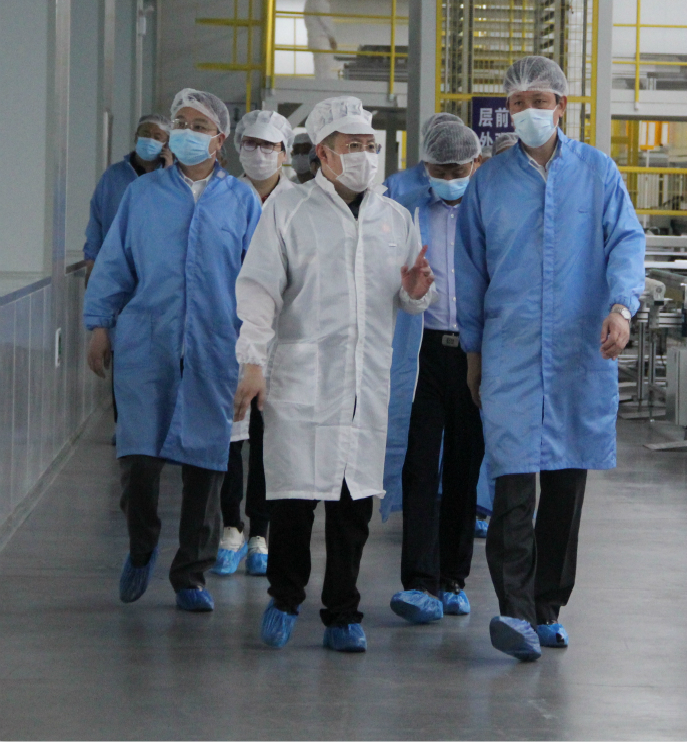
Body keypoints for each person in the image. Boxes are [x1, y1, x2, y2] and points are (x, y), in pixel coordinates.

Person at [454, 56, 645, 661]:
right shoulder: (488, 183)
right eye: (517, 103)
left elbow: (626, 241)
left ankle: (548, 608)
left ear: (561, 106)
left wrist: (621, 307)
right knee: (512, 485)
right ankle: (515, 613)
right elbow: (470, 272)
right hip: (509, 353)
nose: (528, 112)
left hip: (577, 354)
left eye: (539, 101)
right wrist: (473, 353)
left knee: (565, 486)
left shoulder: (598, 172)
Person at [233, 95, 435, 653]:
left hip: (363, 386)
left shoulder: (395, 219)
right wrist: (253, 361)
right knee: (293, 502)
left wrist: (416, 293)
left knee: (353, 508)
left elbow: (409, 297)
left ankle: (343, 613)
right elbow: (259, 291)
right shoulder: (289, 210)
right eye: (353, 146)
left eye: (370, 145)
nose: (365, 155)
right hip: (301, 383)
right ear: (322, 153)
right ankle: (285, 598)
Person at [84, 89, 261, 613]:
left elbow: (259, 281)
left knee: (207, 464)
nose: (186, 132)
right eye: (180, 122)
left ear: (219, 139)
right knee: (139, 458)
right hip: (147, 340)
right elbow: (115, 262)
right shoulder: (142, 195)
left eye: (198, 125)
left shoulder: (242, 201)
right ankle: (142, 547)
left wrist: (256, 352)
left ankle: (190, 574)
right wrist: (99, 325)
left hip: (215, 345)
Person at [382, 121, 484, 625]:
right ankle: (420, 582)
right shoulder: (404, 204)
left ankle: (453, 579)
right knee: (419, 464)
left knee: (464, 465)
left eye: (457, 170)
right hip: (421, 351)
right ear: (425, 167)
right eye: (439, 171)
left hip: (473, 353)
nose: (448, 179)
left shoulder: (488, 209)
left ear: (476, 164)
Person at [212, 109, 296, 578]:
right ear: (237, 146)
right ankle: (231, 525)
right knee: (231, 433)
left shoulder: (299, 203)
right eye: (252, 144)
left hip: (282, 338)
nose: (261, 153)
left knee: (268, 436)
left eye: (270, 146)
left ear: (285, 153)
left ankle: (261, 529)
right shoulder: (223, 197)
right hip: (229, 332)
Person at [83, 114, 172, 286]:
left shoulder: (174, 179)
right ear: (136, 137)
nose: (150, 140)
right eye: (145, 134)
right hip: (115, 268)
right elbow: (96, 220)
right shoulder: (114, 176)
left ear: (166, 144)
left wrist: (168, 175)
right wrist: (91, 262)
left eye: (157, 136)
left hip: (158, 271)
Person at [384, 112, 464, 201]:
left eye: (452, 141)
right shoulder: (395, 186)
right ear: (427, 143)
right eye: (438, 140)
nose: (446, 147)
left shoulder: (471, 186)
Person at [304, 0, 338, 80]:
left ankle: (320, 84)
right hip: (321, 39)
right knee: (325, 68)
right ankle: (324, 87)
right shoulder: (319, 0)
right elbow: (325, 20)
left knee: (319, 67)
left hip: (314, 38)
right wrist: (332, 37)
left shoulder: (309, 0)